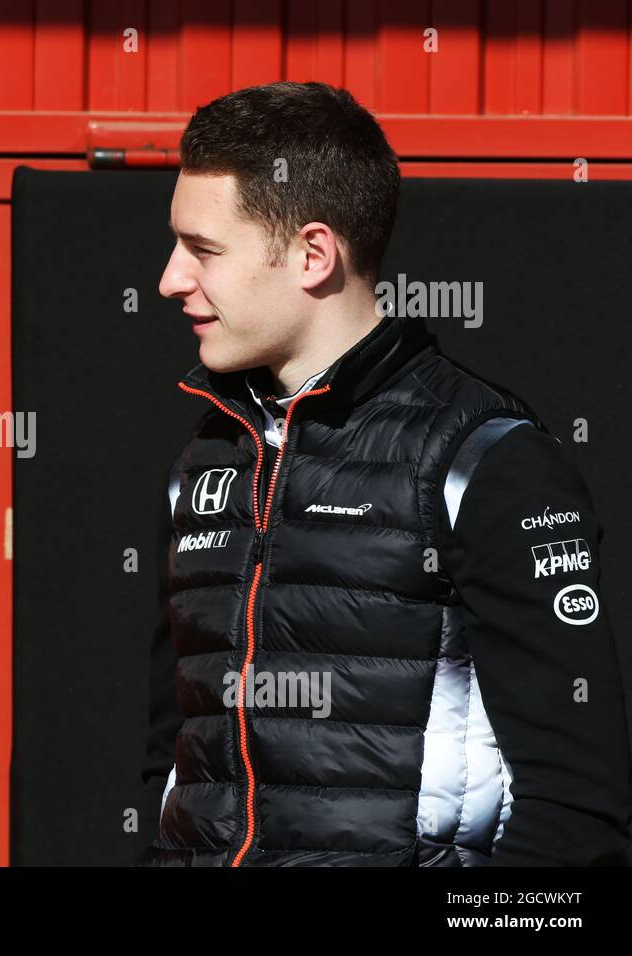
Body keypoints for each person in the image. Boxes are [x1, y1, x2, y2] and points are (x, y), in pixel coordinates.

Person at [137, 81, 631, 866]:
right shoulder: (207, 455)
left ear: (312, 254)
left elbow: (576, 809)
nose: (169, 279)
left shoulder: (485, 458)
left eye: (203, 250)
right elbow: (173, 766)